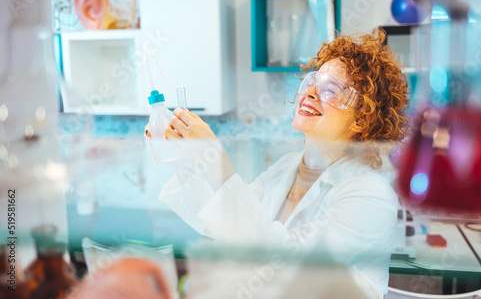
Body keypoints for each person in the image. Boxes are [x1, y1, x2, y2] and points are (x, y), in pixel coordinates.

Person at [147, 29, 409, 296]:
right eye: (312, 81)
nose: (311, 93)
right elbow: (226, 222)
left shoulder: (370, 194)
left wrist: (214, 158)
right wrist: (181, 162)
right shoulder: (287, 167)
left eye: (330, 90)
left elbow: (285, 261)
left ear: (362, 118)